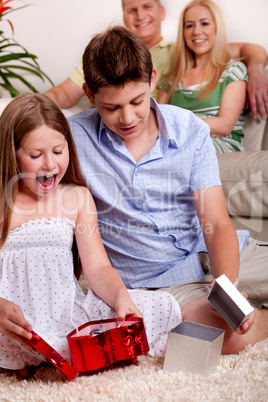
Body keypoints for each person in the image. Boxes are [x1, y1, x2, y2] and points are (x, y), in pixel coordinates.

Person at [68, 26, 268, 356]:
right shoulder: (73, 139)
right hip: (164, 281)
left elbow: (216, 223)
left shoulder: (189, 129)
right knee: (228, 337)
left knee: (232, 305)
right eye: (111, 107)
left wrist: (226, 287)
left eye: (137, 101)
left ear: (152, 80)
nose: (127, 117)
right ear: (89, 94)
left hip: (224, 257)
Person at [0, 93, 181, 379]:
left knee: (158, 305)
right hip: (11, 324)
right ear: (11, 154)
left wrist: (121, 296)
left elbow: (97, 268)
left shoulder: (77, 197)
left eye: (58, 151)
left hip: (65, 315)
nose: (49, 164)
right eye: (35, 156)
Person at [45, 0, 268, 120]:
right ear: (124, 18)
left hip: (149, 127)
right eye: (132, 10)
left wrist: (256, 70)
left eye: (147, 7)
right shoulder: (102, 57)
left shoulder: (184, 52)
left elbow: (249, 49)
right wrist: (34, 110)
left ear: (161, 12)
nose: (141, 16)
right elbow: (63, 94)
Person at [158, 0, 247, 154]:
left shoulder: (233, 71)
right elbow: (158, 123)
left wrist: (179, 127)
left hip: (219, 143)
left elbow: (224, 125)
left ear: (217, 28)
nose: (196, 32)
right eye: (189, 25)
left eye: (204, 23)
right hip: (176, 143)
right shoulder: (170, 80)